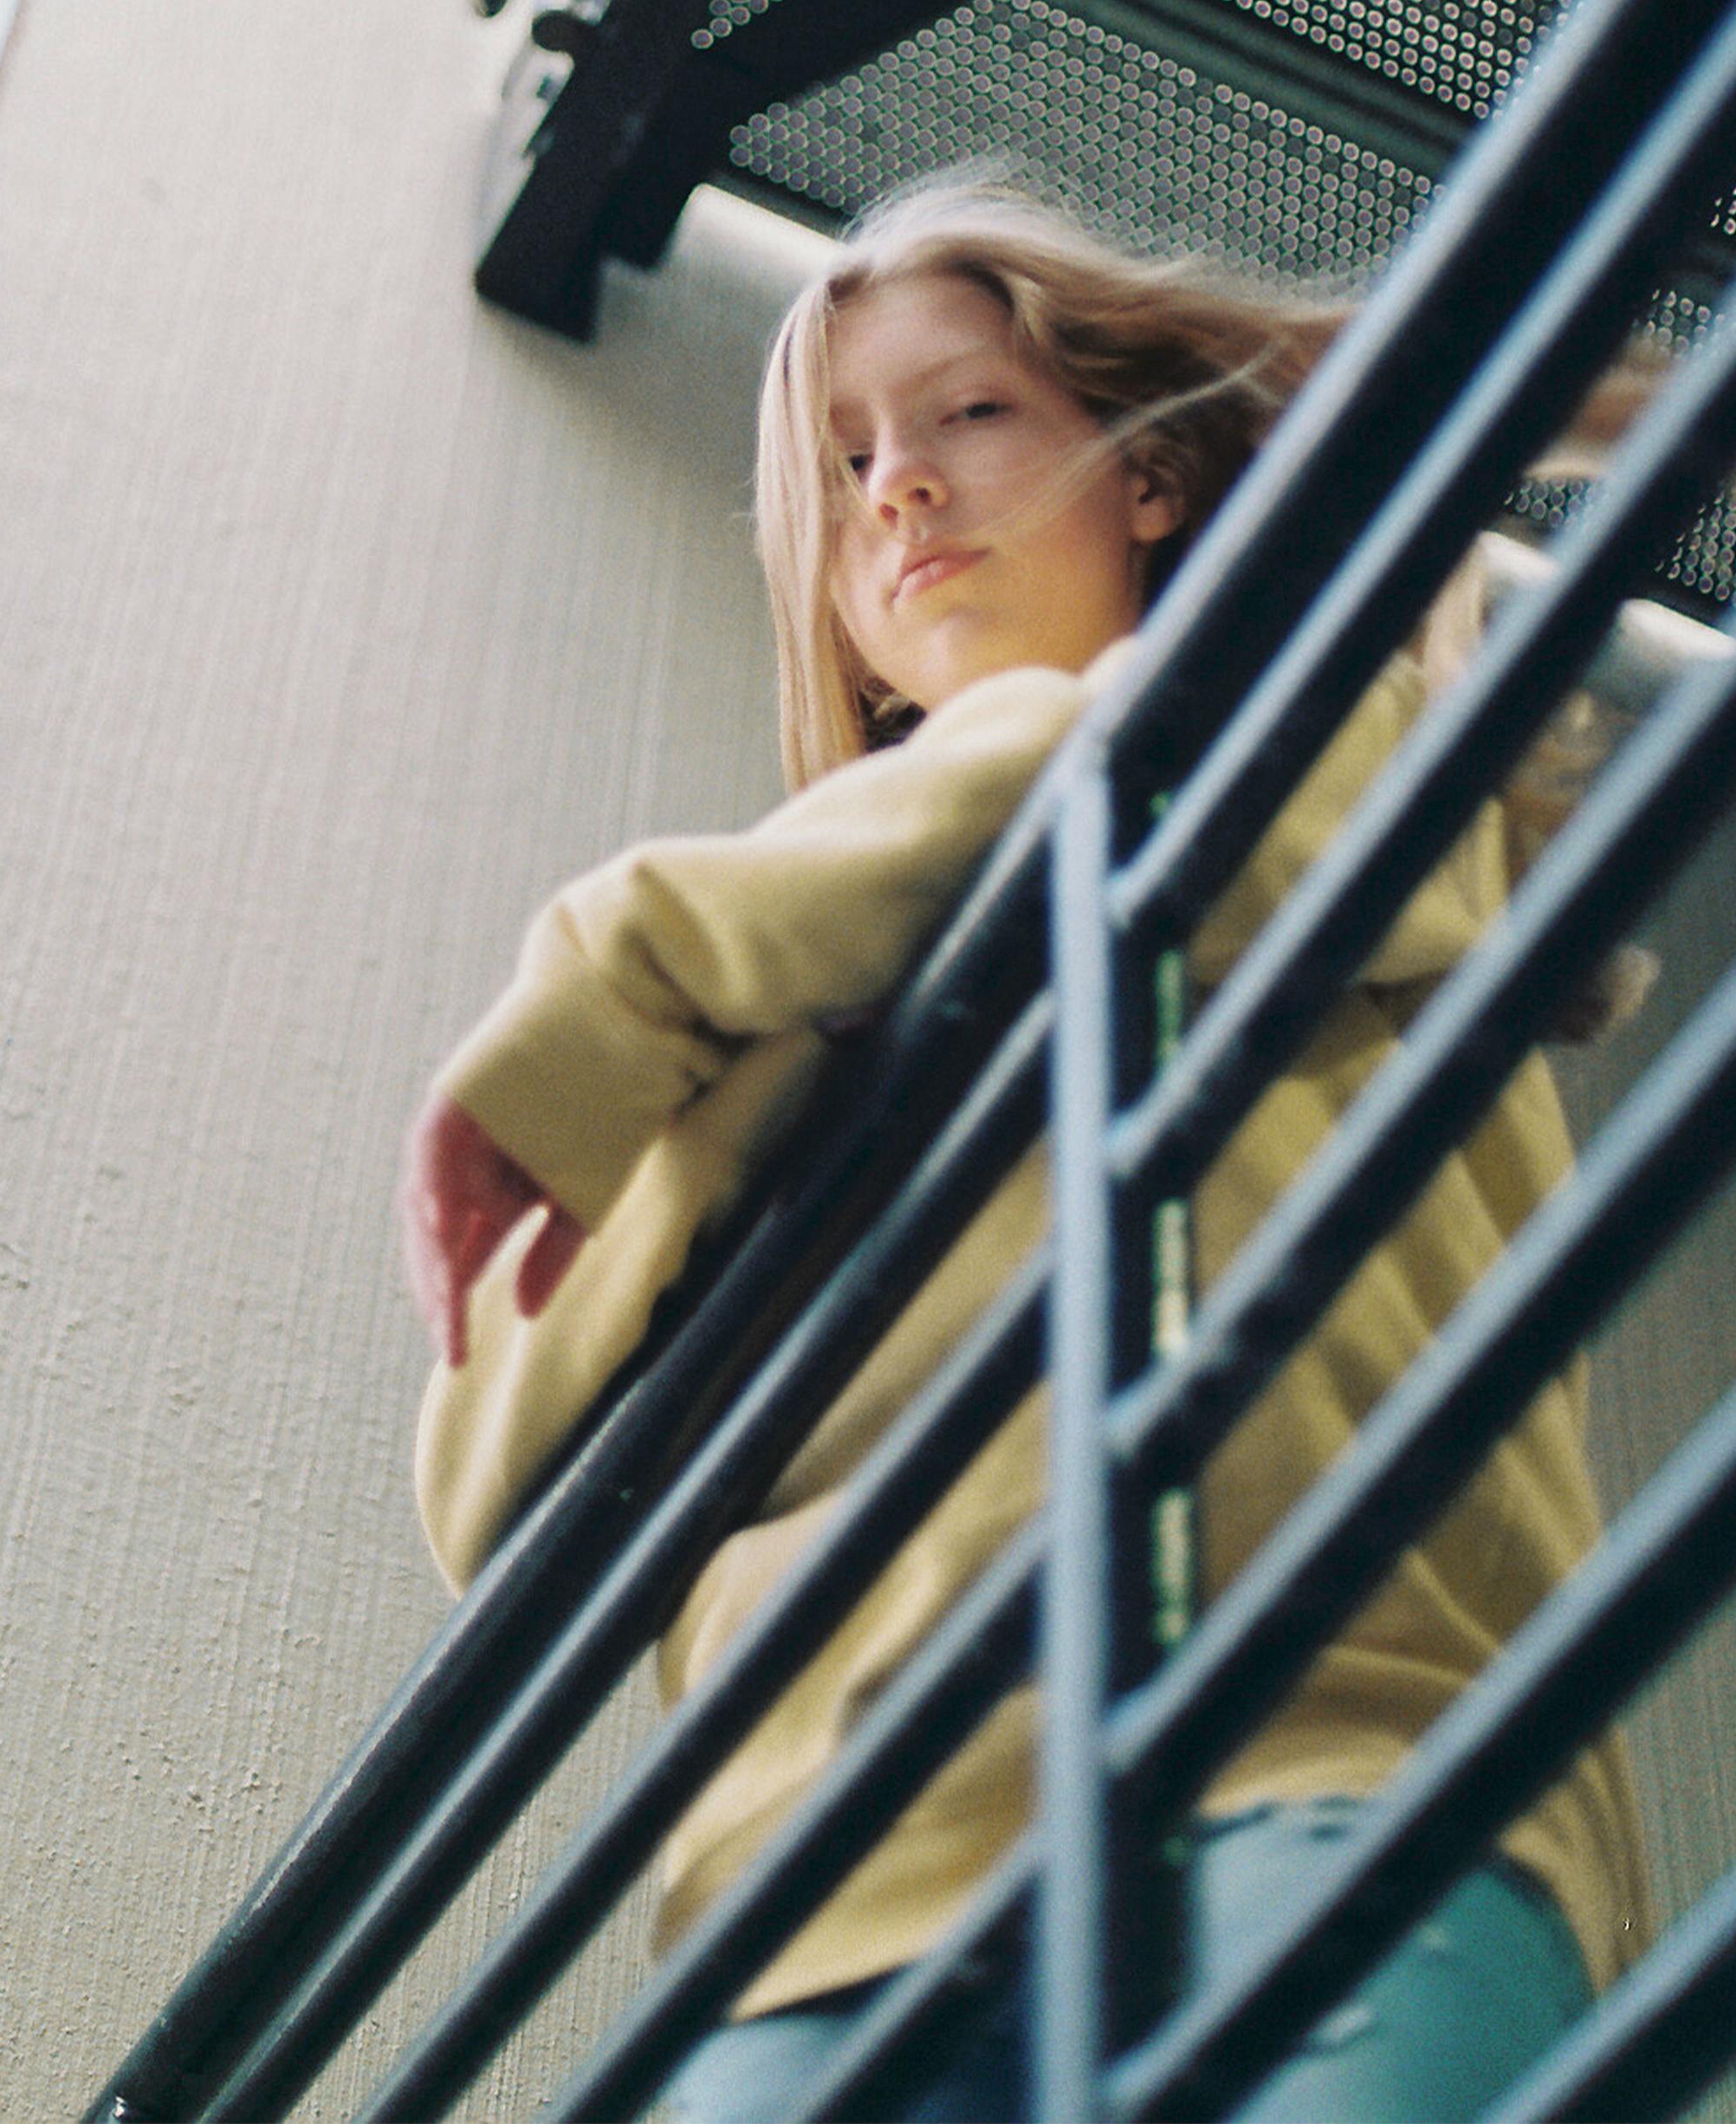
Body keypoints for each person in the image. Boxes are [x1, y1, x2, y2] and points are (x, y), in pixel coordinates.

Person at [398, 182, 1649, 2122]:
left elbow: (1130, 768)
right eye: (842, 463)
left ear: (1143, 476)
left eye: (967, 414)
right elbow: (496, 1472)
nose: (895, 488)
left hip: (1327, 1763)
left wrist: (620, 977)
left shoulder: (1336, 731)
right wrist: (726, 1044)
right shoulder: (758, 989)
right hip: (816, 1894)